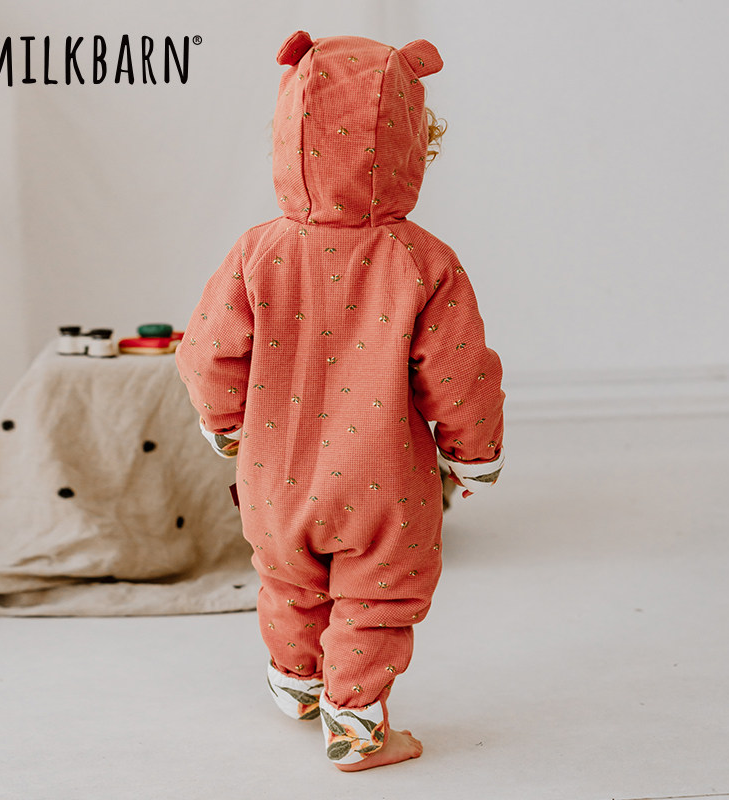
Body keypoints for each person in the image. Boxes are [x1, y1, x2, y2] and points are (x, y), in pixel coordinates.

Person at [175, 30, 505, 771]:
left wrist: (226, 425)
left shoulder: (256, 251)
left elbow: (206, 351)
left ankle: (297, 683)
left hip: (274, 475)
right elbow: (460, 373)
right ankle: (354, 722)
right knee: (378, 596)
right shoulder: (425, 259)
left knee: (289, 581)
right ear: (410, 150)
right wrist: (475, 454)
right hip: (383, 482)